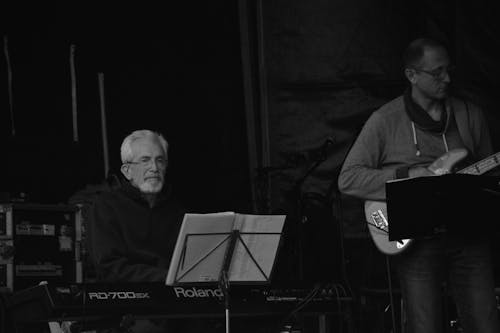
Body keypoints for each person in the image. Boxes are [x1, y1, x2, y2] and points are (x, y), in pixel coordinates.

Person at [338, 38, 499, 333]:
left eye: (448, 70)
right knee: (425, 327)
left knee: (486, 324)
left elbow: (489, 178)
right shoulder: (384, 121)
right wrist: (407, 175)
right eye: (437, 73)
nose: (447, 79)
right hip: (416, 243)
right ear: (412, 75)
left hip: (468, 236)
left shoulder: (469, 115)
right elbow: (348, 179)